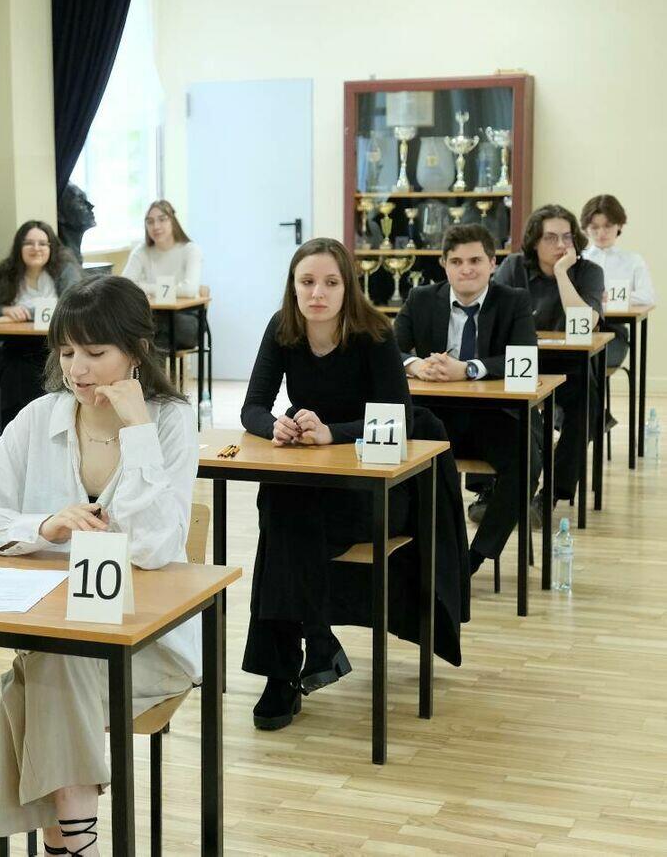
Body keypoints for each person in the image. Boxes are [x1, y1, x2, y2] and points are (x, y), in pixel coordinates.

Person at [0, 276, 198, 856]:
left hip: (149, 644)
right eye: (67, 351)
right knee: (57, 661)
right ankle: (75, 845)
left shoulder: (170, 421)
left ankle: (65, 843)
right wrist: (42, 526)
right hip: (60, 635)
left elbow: (155, 547)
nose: (77, 369)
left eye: (95, 353)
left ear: (136, 351)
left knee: (32, 685)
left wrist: (138, 431)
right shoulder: (40, 417)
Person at [240, 237, 412, 730]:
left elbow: (399, 416)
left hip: (372, 487)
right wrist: (273, 426)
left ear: (348, 287)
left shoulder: (375, 332)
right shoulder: (283, 328)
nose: (318, 293)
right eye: (308, 282)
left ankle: (289, 667)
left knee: (281, 528)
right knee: (284, 506)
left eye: (330, 282)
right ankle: (311, 645)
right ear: (293, 287)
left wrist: (332, 433)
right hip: (309, 485)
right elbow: (253, 406)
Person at [394, 224, 540, 569]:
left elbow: (524, 357)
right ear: (444, 264)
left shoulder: (514, 300)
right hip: (435, 417)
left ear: (492, 263)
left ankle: (474, 557)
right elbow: (388, 351)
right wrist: (416, 365)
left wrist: (469, 368)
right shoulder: (421, 298)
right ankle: (419, 555)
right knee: (393, 459)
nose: (466, 270)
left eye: (475, 260)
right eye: (456, 261)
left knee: (527, 462)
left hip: (494, 417)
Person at [492, 204, 604, 507]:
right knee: (487, 399)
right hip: (519, 359)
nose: (560, 245)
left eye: (567, 237)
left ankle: (554, 491)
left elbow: (587, 321)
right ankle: (487, 491)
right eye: (551, 238)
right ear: (534, 241)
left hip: (569, 363)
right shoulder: (513, 267)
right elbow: (493, 317)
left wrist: (561, 273)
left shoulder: (589, 272)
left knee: (588, 403)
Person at [0, 220, 82, 423]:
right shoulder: (8, 273)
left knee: (36, 371)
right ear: (19, 247)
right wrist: (3, 310)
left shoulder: (65, 268)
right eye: (29, 243)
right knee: (15, 370)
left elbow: (73, 304)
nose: (36, 248)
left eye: (42, 243)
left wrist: (27, 313)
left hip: (57, 347)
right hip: (17, 349)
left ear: (51, 247)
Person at [581, 193, 655, 371]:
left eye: (607, 226)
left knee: (593, 361)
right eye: (594, 227)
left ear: (619, 225)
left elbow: (647, 296)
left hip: (613, 331)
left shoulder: (633, 260)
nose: (601, 233)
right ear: (586, 228)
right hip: (581, 329)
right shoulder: (578, 260)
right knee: (576, 360)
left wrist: (612, 297)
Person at [122, 200, 206, 352]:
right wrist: (169, 289)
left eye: (162, 219)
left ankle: (148, 361)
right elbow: (124, 285)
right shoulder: (141, 251)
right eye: (150, 221)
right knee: (130, 324)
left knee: (149, 332)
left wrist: (145, 287)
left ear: (173, 220)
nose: (156, 226)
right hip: (153, 317)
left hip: (185, 318)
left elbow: (189, 290)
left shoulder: (190, 250)